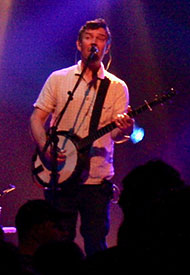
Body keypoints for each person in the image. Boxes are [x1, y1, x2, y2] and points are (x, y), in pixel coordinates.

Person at [29, 18, 134, 255]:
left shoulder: (117, 87)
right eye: (89, 38)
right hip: (60, 176)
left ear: (107, 46)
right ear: (79, 44)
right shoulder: (59, 78)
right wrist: (46, 147)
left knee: (96, 244)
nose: (94, 43)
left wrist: (126, 128)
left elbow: (116, 134)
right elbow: (36, 118)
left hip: (96, 181)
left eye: (100, 38)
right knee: (57, 245)